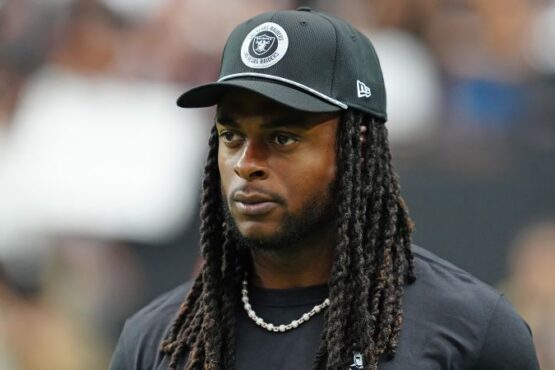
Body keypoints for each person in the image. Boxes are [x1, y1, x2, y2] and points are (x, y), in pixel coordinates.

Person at [109, 8, 539, 370]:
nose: (247, 164)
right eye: (231, 137)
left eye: (282, 138)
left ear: (359, 149)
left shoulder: (473, 332)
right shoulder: (156, 339)